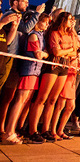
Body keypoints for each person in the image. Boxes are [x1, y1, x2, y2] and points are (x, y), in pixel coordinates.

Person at [27, 12, 76, 143]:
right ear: (63, 20)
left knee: (53, 99)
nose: (72, 22)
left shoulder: (69, 34)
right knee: (42, 98)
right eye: (70, 19)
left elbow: (75, 52)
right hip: (53, 66)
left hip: (64, 66)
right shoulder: (54, 33)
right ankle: (32, 130)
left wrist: (65, 51)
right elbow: (56, 52)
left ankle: (45, 129)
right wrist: (67, 51)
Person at [1, 13, 50, 145]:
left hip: (35, 71)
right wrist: (46, 54)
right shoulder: (33, 35)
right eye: (44, 22)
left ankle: (12, 130)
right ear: (37, 23)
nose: (47, 24)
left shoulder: (40, 36)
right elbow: (38, 54)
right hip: (29, 70)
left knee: (24, 101)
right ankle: (8, 132)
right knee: (20, 101)